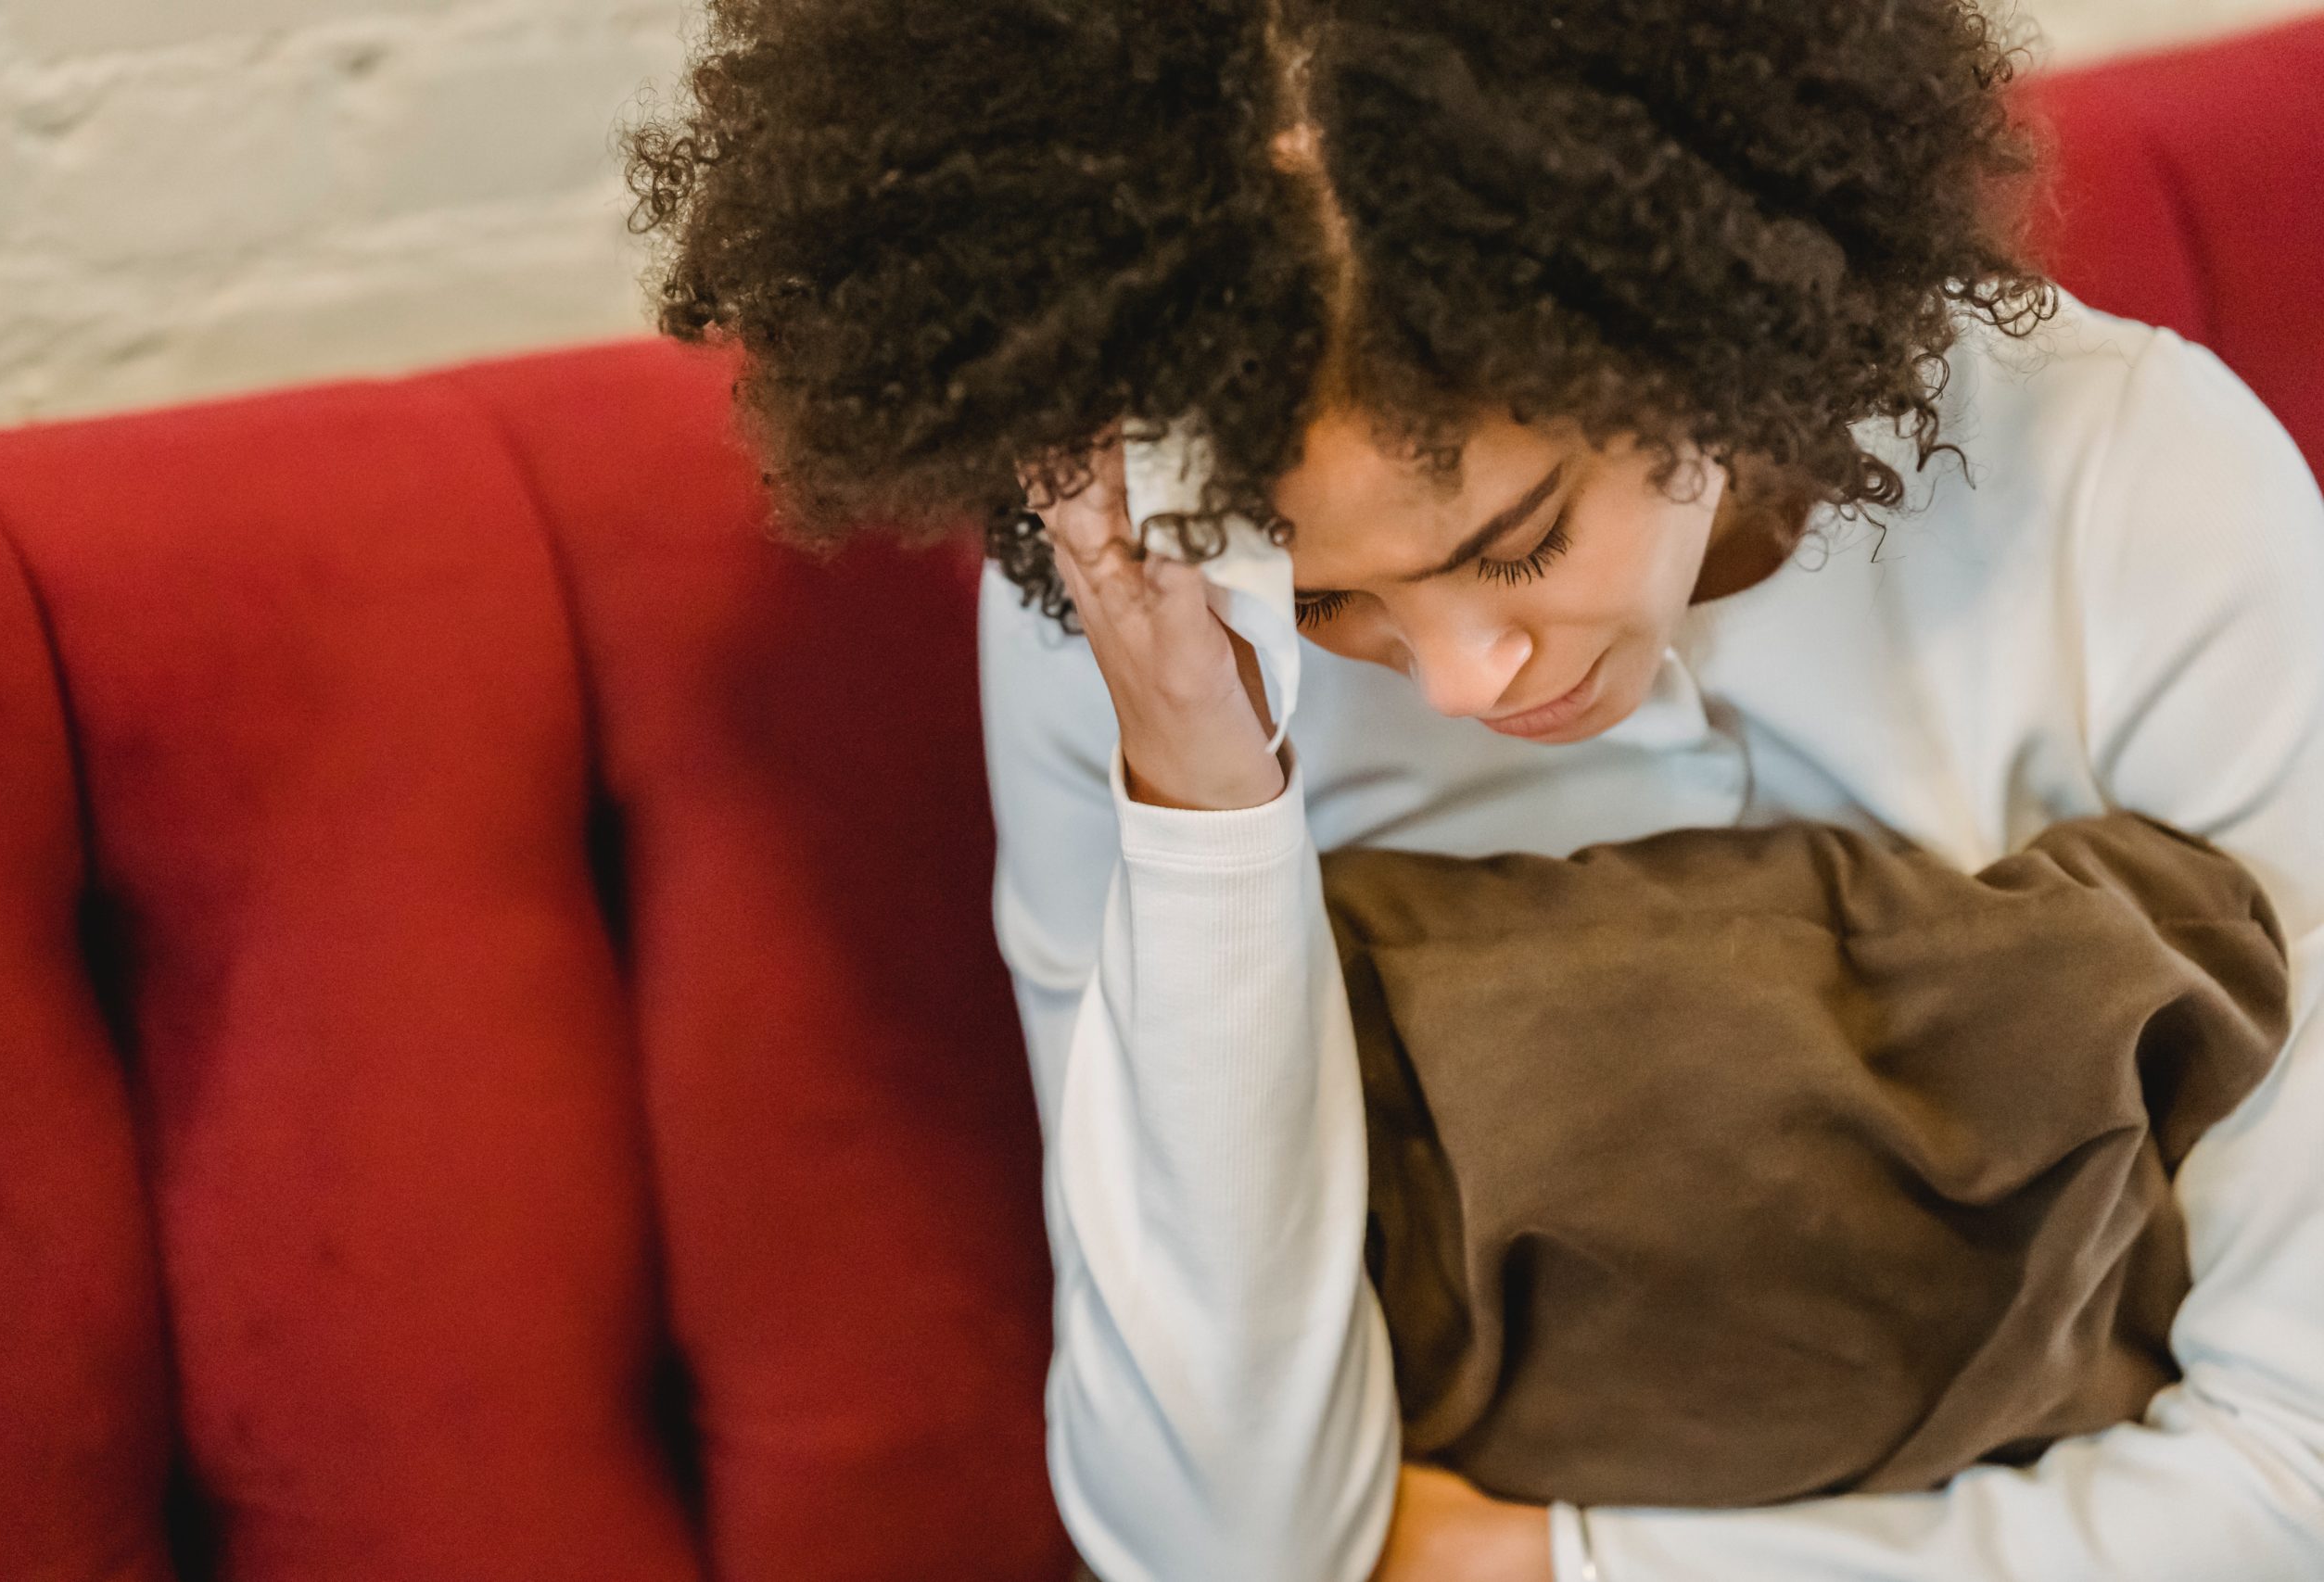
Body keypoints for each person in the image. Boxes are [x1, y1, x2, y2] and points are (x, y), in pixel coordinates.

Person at [621, 2, 2324, 1577]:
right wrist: (1204, 803)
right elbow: (1217, 1546)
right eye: (1331, 601)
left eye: (1520, 541)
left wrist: (1556, 1569)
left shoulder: (2130, 491)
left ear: (1697, 310)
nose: (1458, 681)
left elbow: (2297, 1460)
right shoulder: (1146, 616)